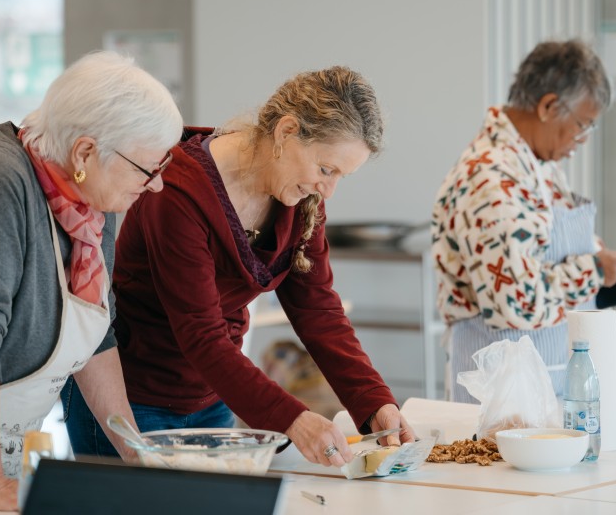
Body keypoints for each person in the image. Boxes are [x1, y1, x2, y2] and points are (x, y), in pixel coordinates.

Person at [61, 66, 416, 468]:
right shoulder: (178, 192)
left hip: (214, 397)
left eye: (340, 177)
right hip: (132, 397)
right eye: (326, 169)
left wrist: (373, 402)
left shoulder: (301, 199)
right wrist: (294, 419)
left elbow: (318, 310)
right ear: (285, 132)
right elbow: (201, 333)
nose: (329, 189)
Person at [0, 51, 183, 510]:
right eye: (147, 168)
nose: (156, 185)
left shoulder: (94, 203)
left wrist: (140, 457)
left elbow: (94, 339)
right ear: (85, 152)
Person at [431, 39, 616, 402]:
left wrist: (598, 255)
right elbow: (516, 301)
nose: (583, 140)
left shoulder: (537, 165)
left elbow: (546, 247)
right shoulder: (490, 178)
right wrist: (593, 271)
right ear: (548, 106)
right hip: (500, 394)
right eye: (583, 125)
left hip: (545, 378)